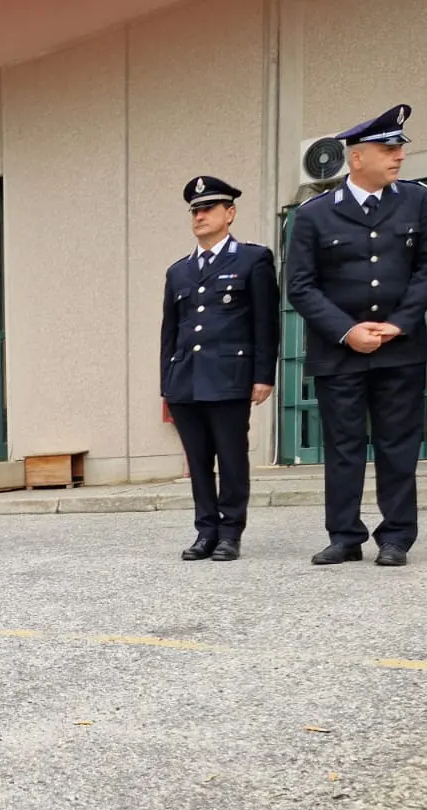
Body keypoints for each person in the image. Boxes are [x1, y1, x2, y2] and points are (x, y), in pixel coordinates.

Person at [285, 104, 427, 567]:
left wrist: (400, 322)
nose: (398, 157)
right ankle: (344, 535)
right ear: (356, 157)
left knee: (399, 445)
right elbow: (299, 285)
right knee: (344, 447)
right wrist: (346, 331)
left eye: (399, 148)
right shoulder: (314, 215)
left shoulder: (416, 200)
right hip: (340, 352)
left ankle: (396, 537)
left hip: (401, 348)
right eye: (388, 148)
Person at [160, 176, 280, 562]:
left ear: (230, 213)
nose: (200, 216)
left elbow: (265, 323)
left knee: (230, 458)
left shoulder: (251, 259)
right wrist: (167, 381)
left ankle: (230, 532)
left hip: (229, 378)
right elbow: (170, 331)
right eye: (195, 210)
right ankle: (205, 531)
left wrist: (264, 375)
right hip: (186, 381)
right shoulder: (178, 271)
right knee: (198, 462)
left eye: (208, 208)